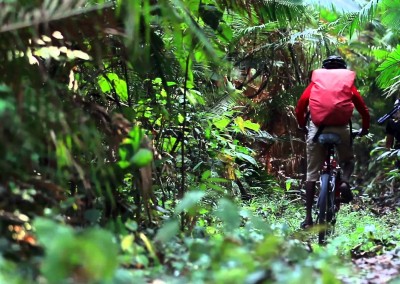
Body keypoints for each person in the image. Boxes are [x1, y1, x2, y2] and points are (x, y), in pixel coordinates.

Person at [295, 55, 370, 229]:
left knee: (311, 174)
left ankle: (308, 218)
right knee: (348, 161)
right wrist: (365, 128)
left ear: (324, 68)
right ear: (343, 69)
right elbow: (363, 110)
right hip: (341, 128)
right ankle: (344, 181)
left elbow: (301, 106)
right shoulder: (347, 83)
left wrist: (301, 125)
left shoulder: (316, 82)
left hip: (317, 128)